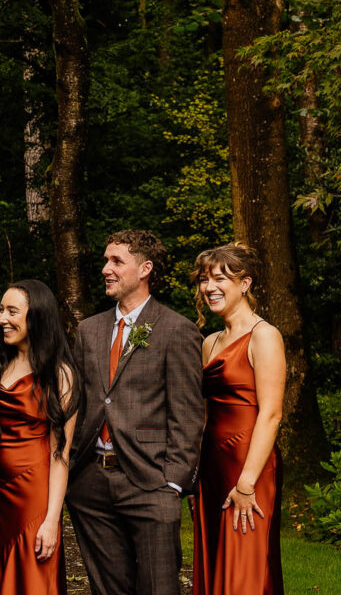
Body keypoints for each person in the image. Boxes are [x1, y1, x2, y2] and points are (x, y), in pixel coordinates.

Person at [66, 229, 204, 595]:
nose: (105, 269)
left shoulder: (177, 330)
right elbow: (78, 403)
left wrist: (173, 482)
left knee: (159, 586)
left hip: (150, 481)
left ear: (145, 269)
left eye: (116, 261)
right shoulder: (88, 330)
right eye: (105, 260)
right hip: (90, 483)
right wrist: (73, 473)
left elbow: (188, 414)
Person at [0, 279, 79, 595]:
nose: (2, 319)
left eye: (12, 311)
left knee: (31, 576)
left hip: (32, 495)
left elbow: (61, 454)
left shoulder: (60, 374)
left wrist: (52, 520)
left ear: (37, 316)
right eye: (1, 310)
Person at [190, 243, 285, 595]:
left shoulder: (264, 336)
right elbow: (205, 414)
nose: (209, 287)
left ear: (245, 284)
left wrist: (246, 483)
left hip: (250, 467)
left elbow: (271, 414)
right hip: (212, 467)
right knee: (216, 562)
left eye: (220, 278)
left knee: (247, 568)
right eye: (204, 279)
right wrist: (195, 473)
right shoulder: (210, 342)